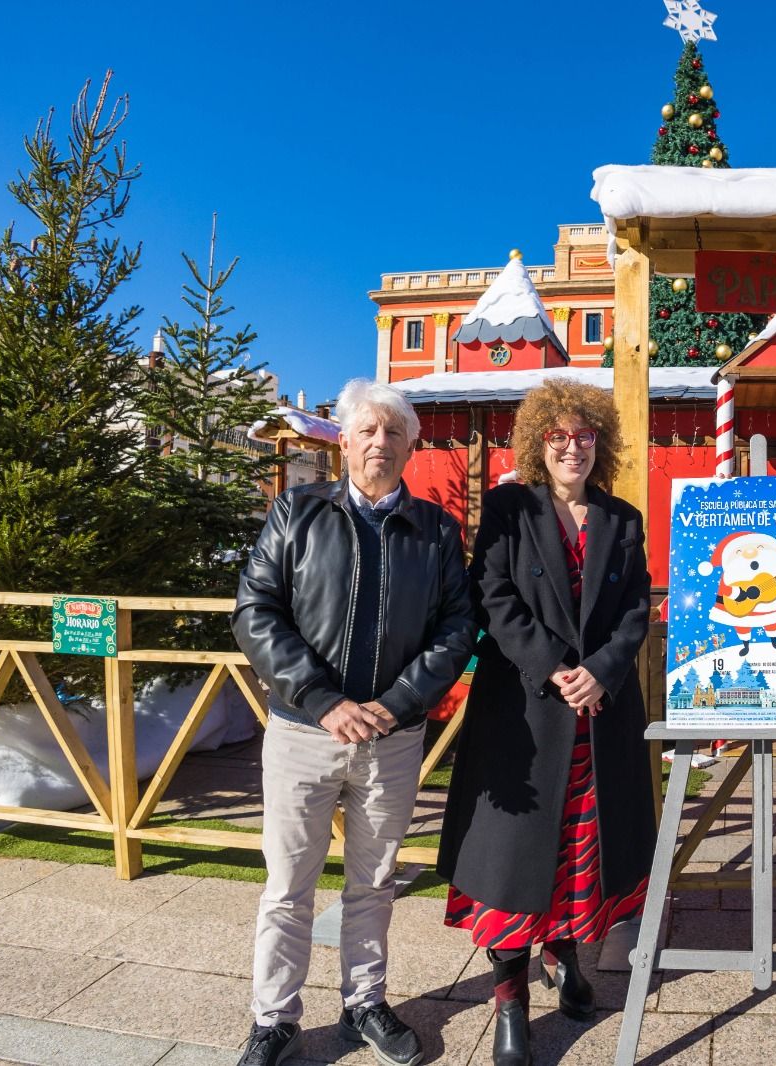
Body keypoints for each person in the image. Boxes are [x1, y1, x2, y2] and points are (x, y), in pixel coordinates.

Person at [231, 379, 475, 1066]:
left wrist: (397, 703)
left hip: (391, 742)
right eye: (367, 430)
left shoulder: (435, 531)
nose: (379, 442)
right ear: (343, 441)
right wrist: (321, 699)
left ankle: (364, 1002)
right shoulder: (297, 513)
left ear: (411, 446)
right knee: (288, 885)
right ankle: (273, 1019)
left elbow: (456, 630)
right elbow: (255, 612)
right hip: (304, 734)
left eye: (393, 432)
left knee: (374, 880)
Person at [436, 379, 655, 1066]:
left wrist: (605, 671)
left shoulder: (621, 519)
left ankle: (566, 955)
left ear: (600, 443)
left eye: (584, 435)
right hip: (523, 717)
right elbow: (492, 595)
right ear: (538, 442)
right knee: (513, 864)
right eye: (557, 436)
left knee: (577, 854)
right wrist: (556, 666)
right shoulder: (508, 508)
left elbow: (635, 609)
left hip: (597, 718)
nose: (571, 447)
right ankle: (509, 1001)